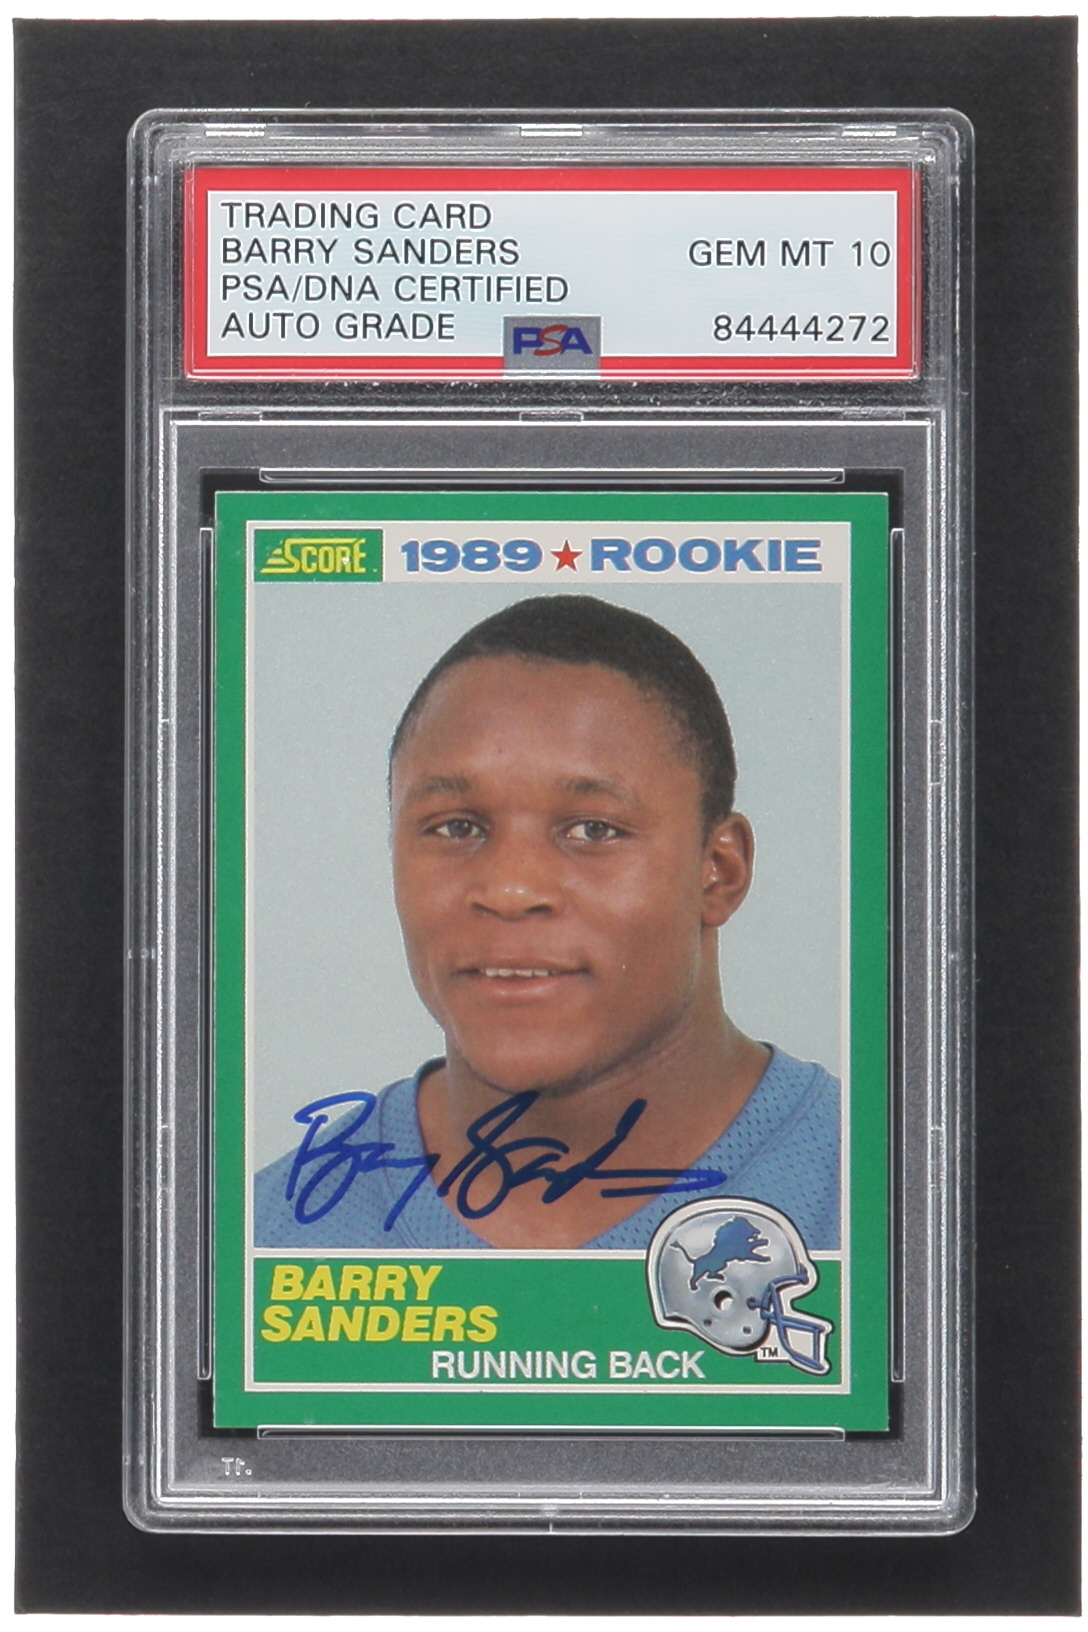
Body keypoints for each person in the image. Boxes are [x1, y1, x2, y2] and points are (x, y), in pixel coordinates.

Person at [254, 594, 839, 1252]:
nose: (510, 889)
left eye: (593, 830)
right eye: (456, 828)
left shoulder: (889, 1196)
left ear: (720, 871)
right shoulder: (263, 1239)